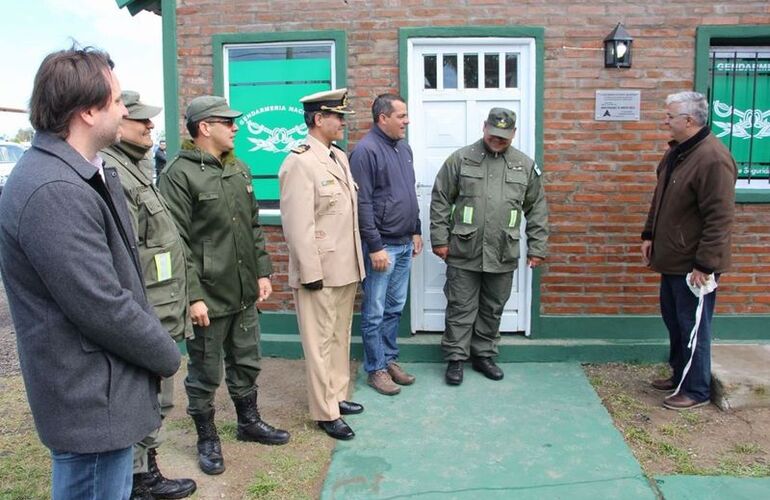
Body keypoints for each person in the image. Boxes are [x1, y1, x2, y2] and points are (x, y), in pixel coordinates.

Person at [0, 46, 181, 499]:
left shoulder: (77, 172)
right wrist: (165, 353)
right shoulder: (53, 188)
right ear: (86, 111)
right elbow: (101, 303)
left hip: (102, 391)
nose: (124, 111)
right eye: (117, 101)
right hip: (89, 401)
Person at [159, 95, 289, 476]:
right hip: (208, 298)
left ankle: (249, 423)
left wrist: (262, 272)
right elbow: (176, 242)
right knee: (205, 373)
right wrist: (193, 297)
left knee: (247, 360)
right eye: (227, 122)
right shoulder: (178, 175)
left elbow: (253, 228)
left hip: (243, 291)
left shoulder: (239, 170)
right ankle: (207, 437)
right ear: (204, 127)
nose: (235, 127)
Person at [101, 90, 196, 499]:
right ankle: (140, 479)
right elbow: (124, 255)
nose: (149, 125)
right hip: (146, 308)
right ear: (118, 123)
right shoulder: (113, 172)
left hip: (161, 304)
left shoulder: (135, 167)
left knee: (157, 395)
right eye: (140, 120)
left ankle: (145, 470)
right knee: (146, 395)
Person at [430, 107, 548, 386]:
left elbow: (537, 208)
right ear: (484, 128)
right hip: (463, 249)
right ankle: (456, 359)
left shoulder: (525, 165)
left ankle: (483, 355)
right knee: (460, 306)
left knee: (493, 307)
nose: (498, 140)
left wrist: (537, 247)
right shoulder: (460, 159)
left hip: (502, 251)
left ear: (514, 134)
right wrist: (439, 238)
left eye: (504, 137)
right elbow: (440, 199)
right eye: (493, 134)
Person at [279, 88, 366, 440]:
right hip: (320, 270)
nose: (343, 122)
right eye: (338, 116)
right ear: (319, 119)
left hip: (345, 265)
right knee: (319, 342)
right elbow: (298, 227)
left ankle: (337, 394)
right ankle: (325, 411)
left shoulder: (337, 157)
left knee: (338, 335)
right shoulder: (299, 162)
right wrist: (311, 273)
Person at [642, 91, 737, 411]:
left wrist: (705, 265)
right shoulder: (677, 153)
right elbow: (661, 197)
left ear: (690, 120)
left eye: (670, 117)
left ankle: (696, 389)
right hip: (672, 258)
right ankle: (681, 374)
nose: (665, 121)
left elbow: (720, 217)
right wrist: (649, 233)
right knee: (675, 320)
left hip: (694, 264)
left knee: (695, 325)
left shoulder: (713, 158)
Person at [349, 93, 421, 396]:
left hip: (404, 243)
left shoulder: (404, 149)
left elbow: (410, 192)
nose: (406, 121)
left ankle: (389, 359)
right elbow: (362, 204)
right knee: (375, 312)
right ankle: (375, 368)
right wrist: (375, 246)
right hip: (382, 248)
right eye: (401, 116)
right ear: (383, 118)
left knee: (394, 308)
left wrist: (416, 229)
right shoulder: (365, 151)